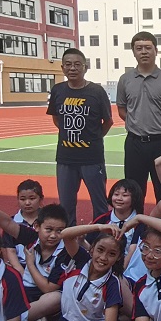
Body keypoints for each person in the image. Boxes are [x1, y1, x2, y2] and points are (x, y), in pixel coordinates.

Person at [0, 222, 126, 321]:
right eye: (100, 250)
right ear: (92, 249)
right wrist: (98, 227)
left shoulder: (112, 283)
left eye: (111, 254)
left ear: (118, 258)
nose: (103, 258)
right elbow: (65, 234)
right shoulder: (81, 260)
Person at [0, 187, 66, 321]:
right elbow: (6, 222)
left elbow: (47, 288)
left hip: (44, 295)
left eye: (60, 230)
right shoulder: (32, 237)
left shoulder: (65, 252)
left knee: (55, 298)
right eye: (48, 230)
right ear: (37, 227)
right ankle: (26, 319)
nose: (53, 235)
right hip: (23, 289)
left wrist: (30, 264)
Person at [47, 48, 113, 226]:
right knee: (66, 205)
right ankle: (69, 237)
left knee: (100, 204)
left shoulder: (96, 91)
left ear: (85, 68)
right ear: (62, 68)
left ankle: (100, 236)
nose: (72, 68)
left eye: (77, 64)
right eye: (68, 64)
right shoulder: (58, 90)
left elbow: (108, 121)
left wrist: (93, 138)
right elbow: (57, 119)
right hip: (65, 158)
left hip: (92, 158)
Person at [116, 31, 161, 202]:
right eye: (139, 48)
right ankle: (136, 219)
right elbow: (122, 109)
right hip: (134, 144)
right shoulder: (125, 80)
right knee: (133, 191)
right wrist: (137, 123)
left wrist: (160, 126)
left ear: (156, 51)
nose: (143, 52)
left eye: (148, 48)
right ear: (133, 52)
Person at [2, 179, 44, 277]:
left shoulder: (48, 220)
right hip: (19, 268)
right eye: (22, 199)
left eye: (32, 198)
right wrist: (22, 274)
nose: (27, 203)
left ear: (41, 199)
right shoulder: (12, 223)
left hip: (44, 267)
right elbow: (11, 251)